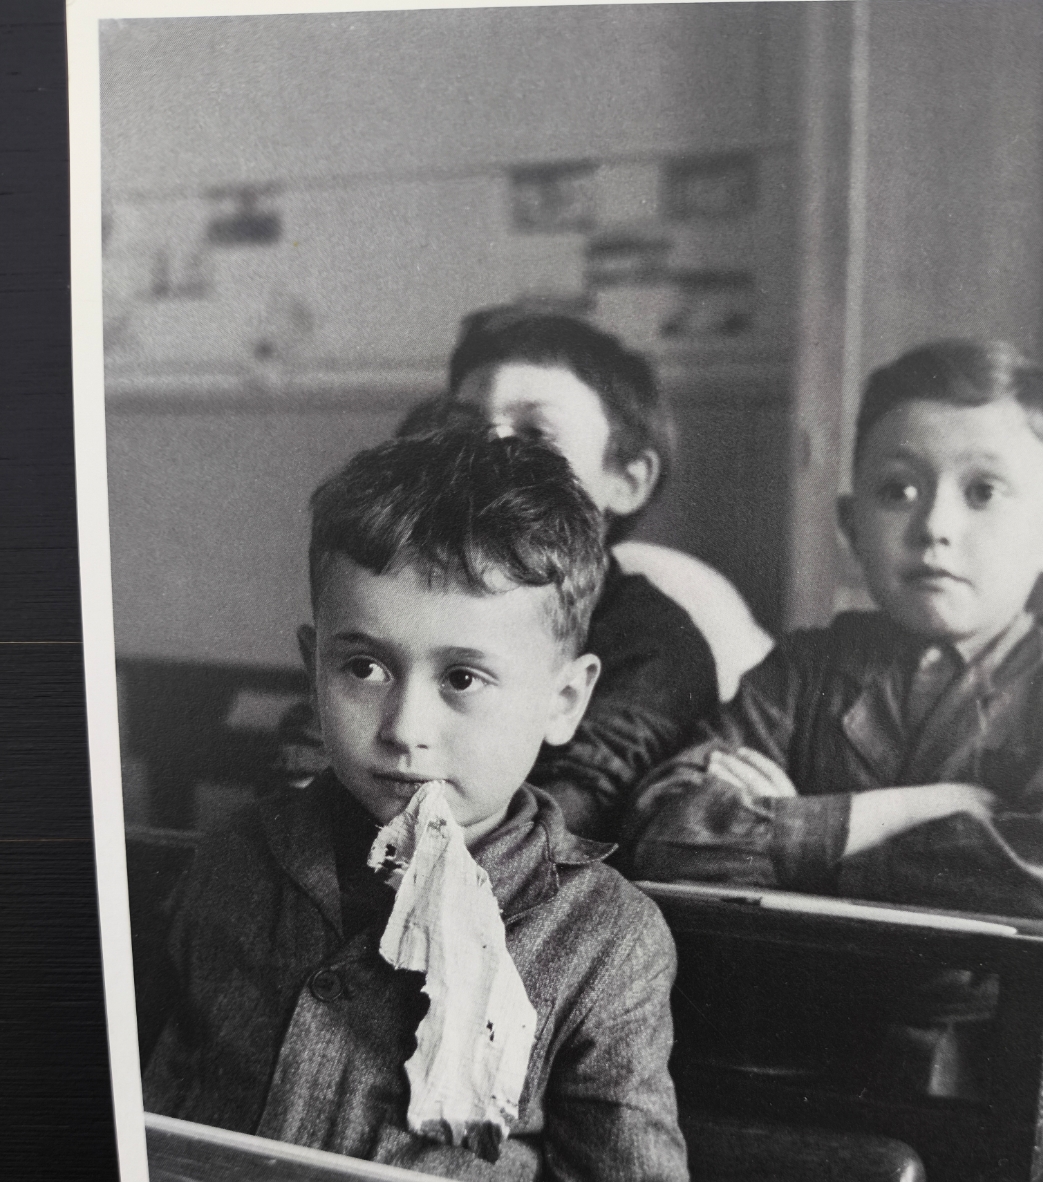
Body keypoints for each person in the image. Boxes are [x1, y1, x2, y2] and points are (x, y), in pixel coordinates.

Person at [144, 403, 696, 1182]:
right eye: (362, 666)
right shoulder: (235, 861)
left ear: (566, 700)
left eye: (464, 679)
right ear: (311, 664)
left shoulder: (603, 940)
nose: (405, 728)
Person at [626, 339, 1043, 929]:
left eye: (983, 492)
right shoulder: (804, 670)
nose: (935, 527)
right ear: (852, 526)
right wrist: (902, 811)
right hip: (809, 1009)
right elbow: (666, 834)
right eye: (898, 490)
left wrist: (807, 846)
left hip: (998, 1020)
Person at [278, 306, 772, 837]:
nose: (487, 452)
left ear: (627, 480)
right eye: (463, 427)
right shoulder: (396, 602)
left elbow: (575, 811)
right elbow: (307, 766)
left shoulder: (656, 643)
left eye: (535, 435)